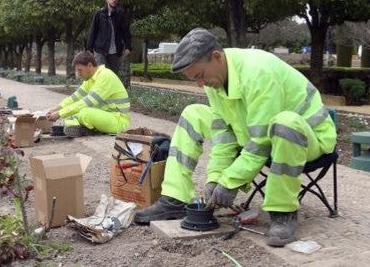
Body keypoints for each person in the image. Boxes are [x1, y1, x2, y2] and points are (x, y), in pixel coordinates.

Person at [134, 28, 337, 247]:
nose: (200, 84)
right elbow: (224, 135)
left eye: (199, 76)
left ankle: (283, 211)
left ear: (217, 57)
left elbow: (260, 143)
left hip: (307, 137)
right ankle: (174, 198)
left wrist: (229, 183)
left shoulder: (259, 72)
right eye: (194, 79)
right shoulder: (216, 78)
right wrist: (215, 178)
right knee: (193, 114)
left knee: (285, 123)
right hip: (255, 130)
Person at [46, 51, 130, 137]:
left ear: (89, 65)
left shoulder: (105, 76)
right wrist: (55, 109)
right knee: (73, 113)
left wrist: (59, 114)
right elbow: (75, 97)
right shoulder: (90, 78)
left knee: (84, 113)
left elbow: (87, 102)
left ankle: (84, 128)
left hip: (118, 121)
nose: (78, 74)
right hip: (106, 116)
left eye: (80, 70)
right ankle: (81, 128)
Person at [86, 0, 131, 75]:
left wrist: (128, 47)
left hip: (115, 51)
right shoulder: (99, 14)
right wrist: (89, 49)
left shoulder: (120, 15)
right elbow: (93, 31)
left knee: (113, 75)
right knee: (100, 74)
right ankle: (99, 88)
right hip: (100, 50)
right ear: (107, 0)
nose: (114, 0)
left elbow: (126, 32)